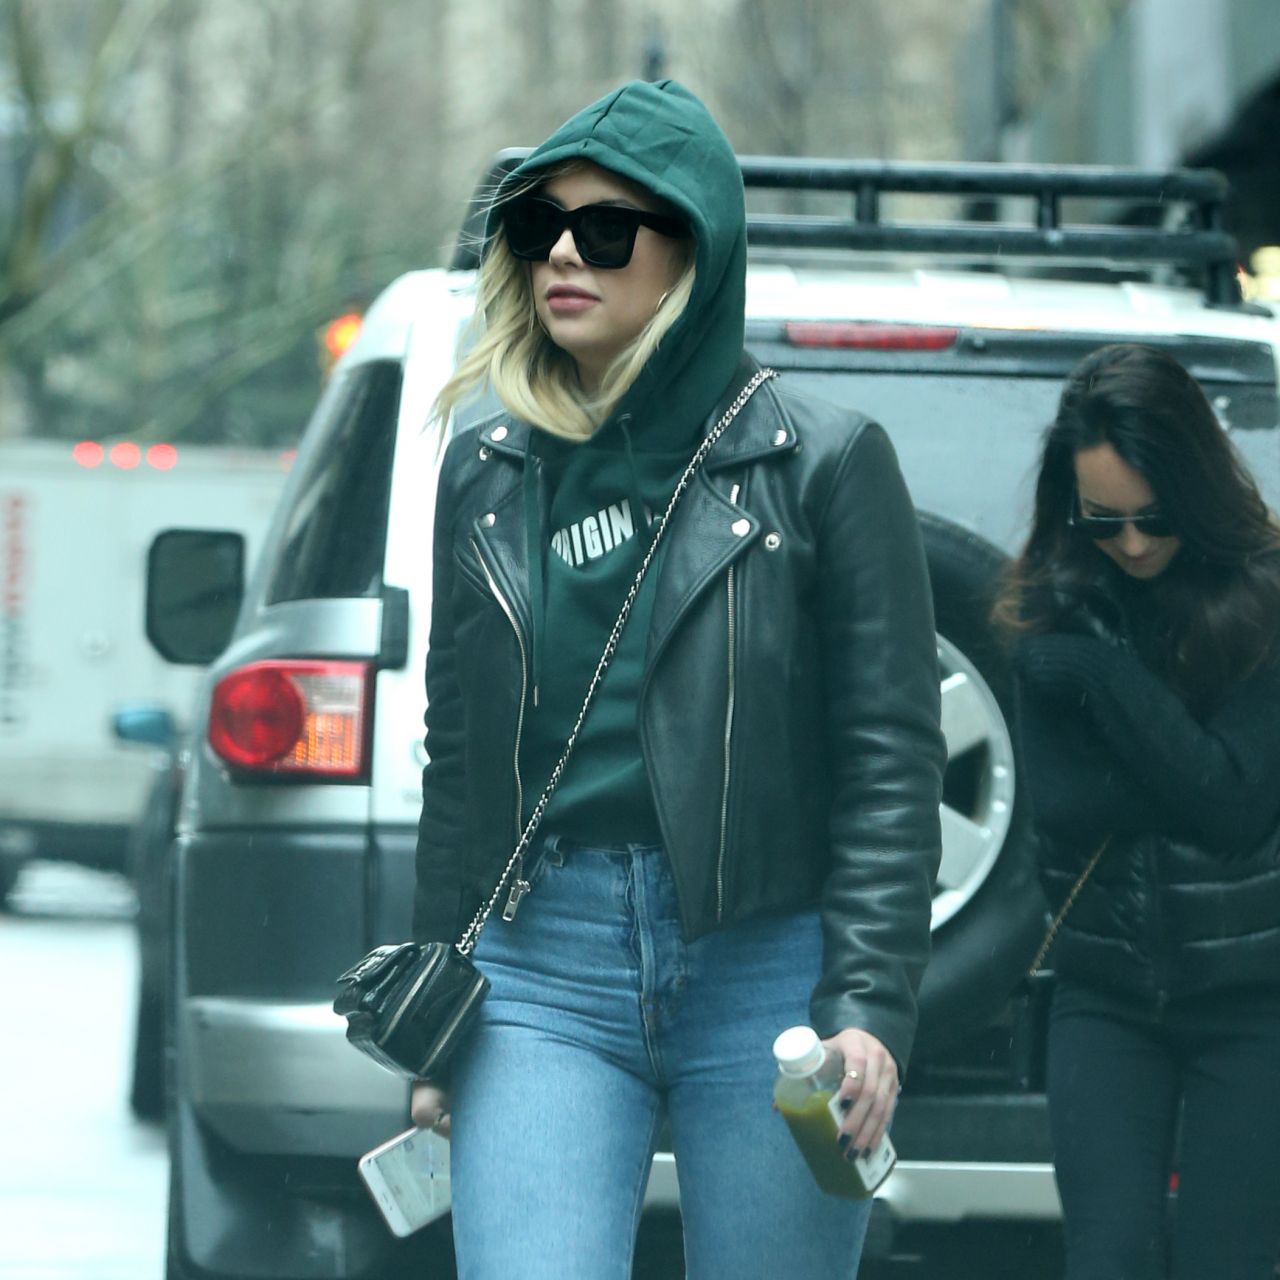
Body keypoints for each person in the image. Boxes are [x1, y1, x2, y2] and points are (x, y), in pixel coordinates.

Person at [407, 79, 944, 1279]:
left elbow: (888, 764)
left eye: (606, 229)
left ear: (690, 254)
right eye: (536, 224)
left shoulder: (823, 463)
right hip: (540, 960)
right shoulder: (486, 469)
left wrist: (867, 1002)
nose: (561, 253)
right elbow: (458, 756)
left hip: (770, 969)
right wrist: (436, 1003)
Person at [998, 343, 1280, 1279]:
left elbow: (1236, 805)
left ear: (1194, 492)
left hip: (1254, 993)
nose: (1130, 544)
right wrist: (1187, 765)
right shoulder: (1054, 601)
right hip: (1104, 992)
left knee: (1228, 1261)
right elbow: (1068, 805)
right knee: (1108, 1258)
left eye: (1154, 518)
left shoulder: (1264, 597)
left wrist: (1098, 676)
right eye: (1103, 520)